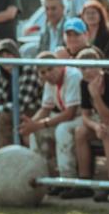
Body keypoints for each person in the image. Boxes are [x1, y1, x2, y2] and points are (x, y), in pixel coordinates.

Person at [69, 48, 109, 201]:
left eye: (90, 66)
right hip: (103, 122)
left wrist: (96, 96)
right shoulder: (84, 84)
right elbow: (85, 115)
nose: (87, 71)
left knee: (107, 132)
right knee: (80, 132)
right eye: (83, 68)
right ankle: (84, 182)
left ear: (99, 66)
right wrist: (94, 126)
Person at [19, 52, 83, 186]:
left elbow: (70, 113)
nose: (47, 74)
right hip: (70, 116)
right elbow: (45, 109)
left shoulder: (72, 75)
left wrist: (39, 124)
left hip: (87, 116)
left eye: (50, 69)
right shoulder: (49, 82)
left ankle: (68, 180)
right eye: (43, 72)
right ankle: (43, 177)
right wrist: (30, 125)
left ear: (59, 66)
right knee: (35, 132)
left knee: (62, 130)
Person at [0, 39, 44, 149]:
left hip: (33, 110)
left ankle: (8, 156)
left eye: (9, 55)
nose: (6, 60)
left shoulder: (28, 69)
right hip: (13, 109)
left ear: (16, 55)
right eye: (1, 57)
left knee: (5, 116)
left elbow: (21, 103)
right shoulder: (3, 74)